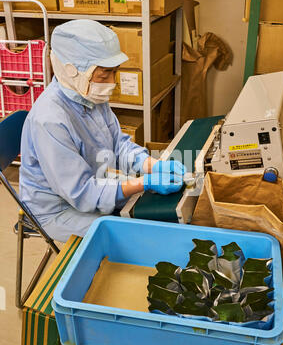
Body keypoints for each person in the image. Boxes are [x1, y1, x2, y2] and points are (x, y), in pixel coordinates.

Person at [19, 19, 186, 242]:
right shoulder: (49, 120)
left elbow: (118, 145)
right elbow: (80, 192)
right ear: (72, 71)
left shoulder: (88, 94)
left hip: (90, 183)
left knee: (146, 215)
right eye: (104, 74)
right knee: (134, 236)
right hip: (57, 210)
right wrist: (143, 183)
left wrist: (152, 165)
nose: (111, 82)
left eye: (114, 72)